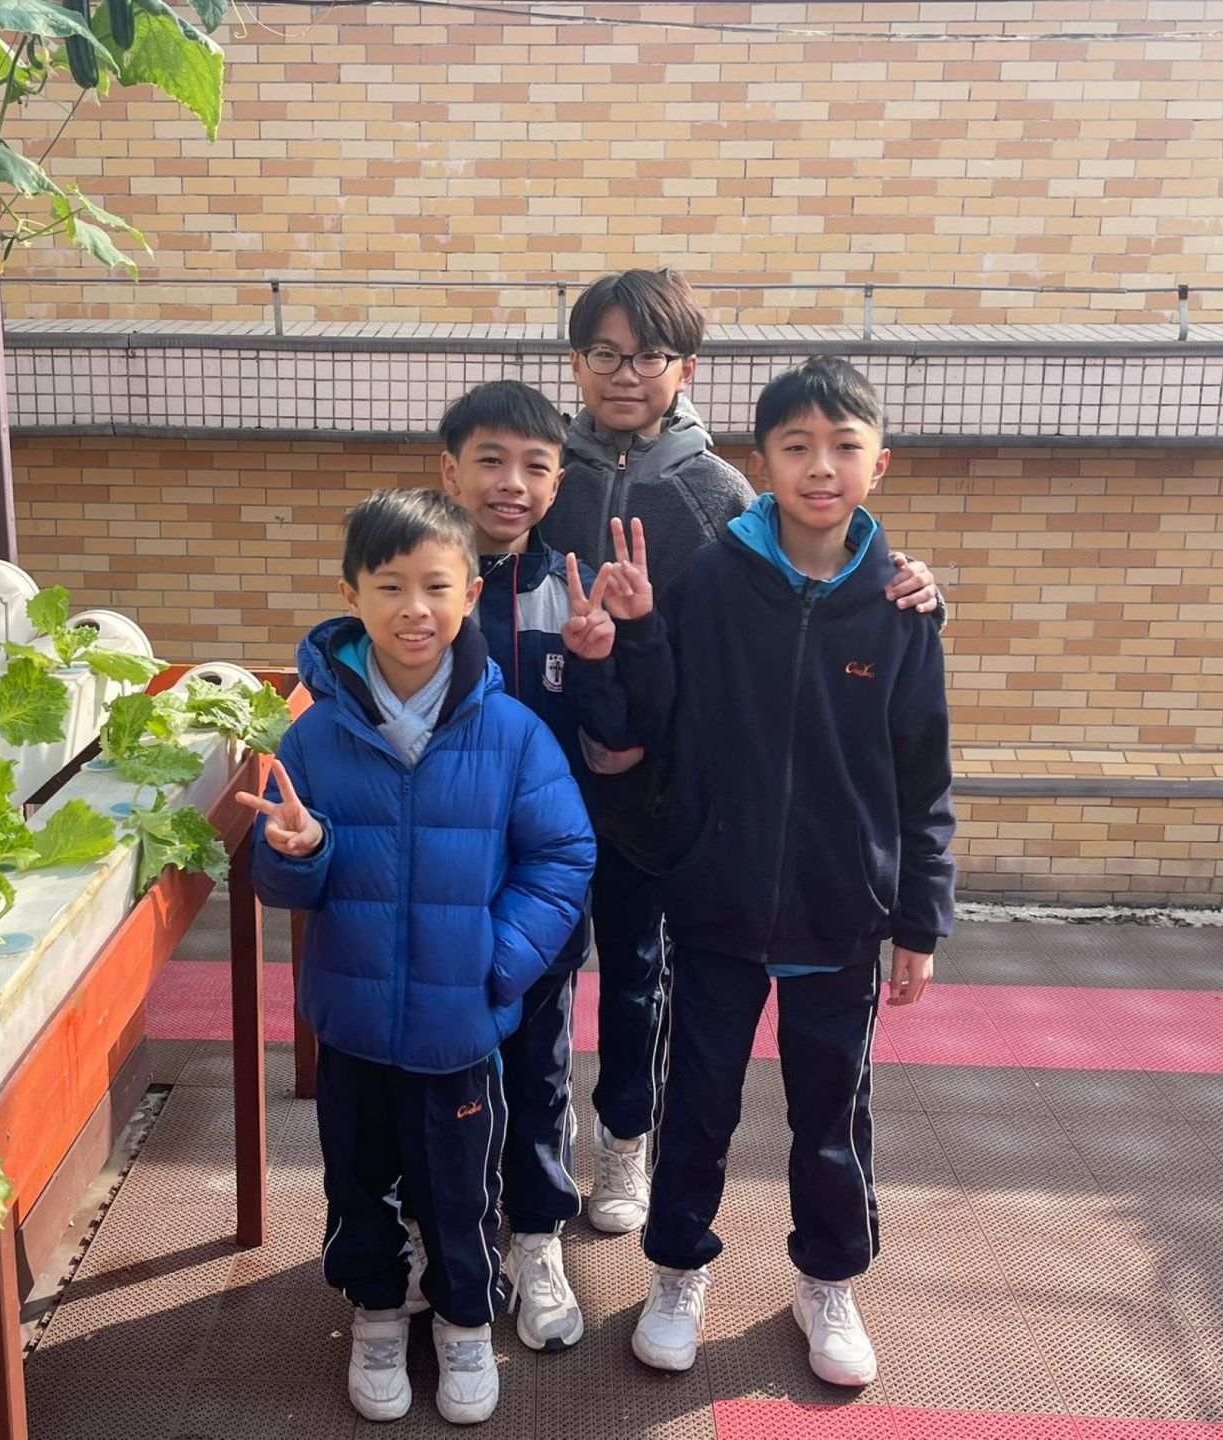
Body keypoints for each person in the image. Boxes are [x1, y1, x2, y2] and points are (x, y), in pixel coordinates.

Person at [570, 356, 956, 1385]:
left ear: (879, 463)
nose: (820, 466)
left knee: (832, 1114)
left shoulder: (901, 607)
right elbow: (657, 715)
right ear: (764, 461)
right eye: (796, 447)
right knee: (697, 1104)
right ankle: (677, 1271)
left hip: (842, 914)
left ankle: (827, 1281)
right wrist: (633, 632)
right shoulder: (713, 581)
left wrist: (919, 922)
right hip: (718, 905)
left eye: (842, 447)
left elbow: (924, 777)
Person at [238, 488, 595, 1426]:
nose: (414, 609)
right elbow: (283, 884)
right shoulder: (313, 737)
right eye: (389, 586)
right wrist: (297, 853)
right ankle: (377, 1314)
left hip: (459, 1028)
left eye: (436, 586)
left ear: (470, 594)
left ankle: (466, 1323)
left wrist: (498, 961)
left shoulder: (511, 731)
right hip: (353, 1025)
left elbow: (563, 856)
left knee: (460, 1190)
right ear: (350, 594)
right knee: (358, 1184)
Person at [429, 379, 641, 1354]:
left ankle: (538, 1237)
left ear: (558, 484)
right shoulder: (420, 581)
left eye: (534, 466)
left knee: (540, 1063)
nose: (510, 483)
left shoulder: (573, 590)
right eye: (490, 461)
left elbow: (617, 746)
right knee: (440, 1068)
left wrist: (598, 664)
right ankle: (447, 1236)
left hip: (545, 885)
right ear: (451, 471)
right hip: (436, 880)